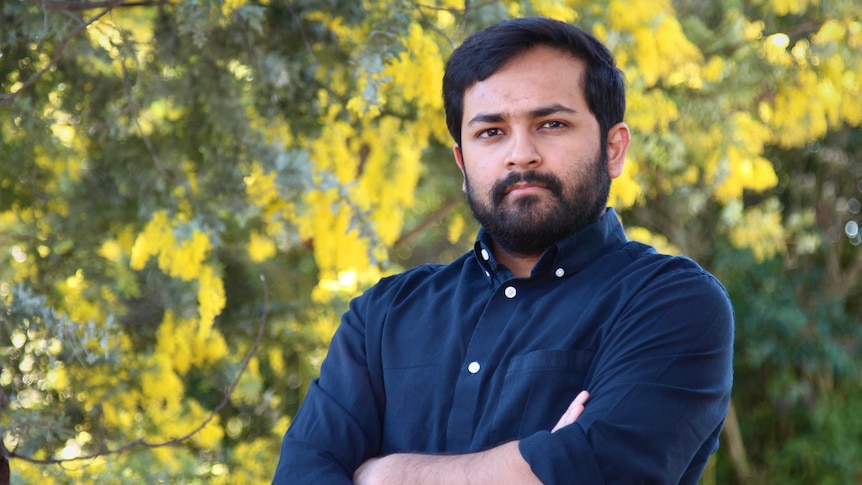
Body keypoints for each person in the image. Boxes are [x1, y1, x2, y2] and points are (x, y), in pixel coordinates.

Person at [273, 16, 733, 484]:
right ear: (462, 162)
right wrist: (536, 462)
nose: (521, 154)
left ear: (613, 148)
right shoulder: (383, 316)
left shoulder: (670, 303)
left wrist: (382, 474)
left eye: (551, 124)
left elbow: (596, 473)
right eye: (491, 132)